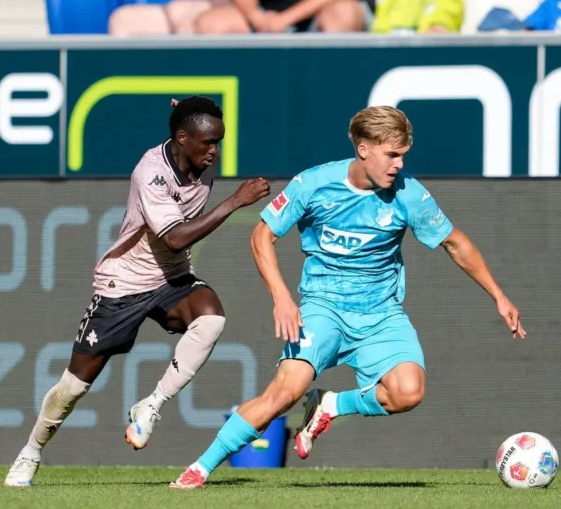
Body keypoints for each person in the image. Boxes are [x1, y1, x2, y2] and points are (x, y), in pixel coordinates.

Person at [168, 105, 526, 489]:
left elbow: (456, 244)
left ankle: (332, 405)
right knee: (286, 393)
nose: (398, 165)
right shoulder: (314, 184)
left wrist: (498, 296)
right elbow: (261, 236)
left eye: (403, 155)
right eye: (392, 154)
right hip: (323, 308)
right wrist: (282, 298)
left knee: (408, 392)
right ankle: (200, 468)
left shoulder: (409, 194)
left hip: (380, 314)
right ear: (364, 149)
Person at [3, 96, 271, 487]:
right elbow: (176, 237)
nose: (215, 151)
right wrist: (235, 201)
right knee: (73, 386)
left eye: (219, 141)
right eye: (207, 142)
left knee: (211, 317)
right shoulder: (151, 172)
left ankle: (151, 406)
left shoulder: (197, 160)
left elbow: (176, 250)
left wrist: (187, 108)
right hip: (123, 283)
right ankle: (31, 451)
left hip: (172, 278)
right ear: (182, 138)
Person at [193, 0, 376, 34]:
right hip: (270, 14)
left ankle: (333, 86)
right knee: (211, 23)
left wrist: (286, 19)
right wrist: (256, 17)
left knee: (343, 14)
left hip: (326, 9)